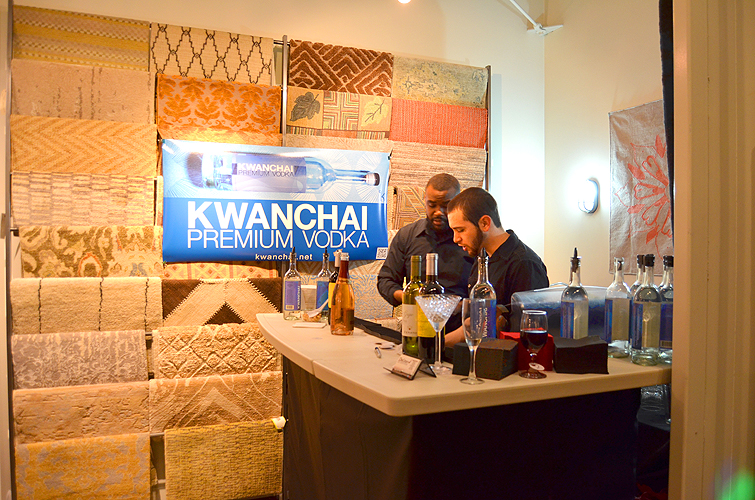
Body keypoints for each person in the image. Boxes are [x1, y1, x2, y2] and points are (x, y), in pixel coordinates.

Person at [445, 187, 549, 346]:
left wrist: (439, 343)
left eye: (461, 230)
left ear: (485, 223)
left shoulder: (524, 263)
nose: (455, 239)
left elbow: (525, 332)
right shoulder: (482, 257)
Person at [377, 174, 473, 330]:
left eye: (446, 205)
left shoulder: (470, 238)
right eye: (432, 205)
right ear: (425, 200)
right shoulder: (407, 236)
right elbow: (386, 280)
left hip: (461, 330)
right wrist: (408, 297)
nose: (438, 212)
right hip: (415, 328)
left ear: (458, 203)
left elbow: (485, 293)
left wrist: (462, 306)